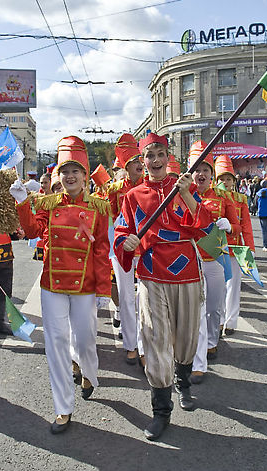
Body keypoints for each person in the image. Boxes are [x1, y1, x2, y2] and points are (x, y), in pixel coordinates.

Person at [113, 133, 214, 441]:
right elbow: (121, 230)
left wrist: (187, 195)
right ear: (142, 161)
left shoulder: (184, 187)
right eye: (149, 155)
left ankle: (182, 381)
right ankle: (161, 410)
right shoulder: (133, 195)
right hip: (151, 272)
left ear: (169, 157)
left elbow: (207, 229)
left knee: (185, 339)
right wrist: (126, 242)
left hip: (186, 272)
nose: (155, 160)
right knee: (155, 338)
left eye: (160, 154)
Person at [13, 136, 112, 434]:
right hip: (52, 284)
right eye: (65, 172)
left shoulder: (99, 208)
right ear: (59, 176)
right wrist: (21, 202)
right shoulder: (47, 203)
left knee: (84, 340)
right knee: (56, 344)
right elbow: (31, 230)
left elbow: (101, 249)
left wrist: (104, 289)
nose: (70, 177)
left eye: (76, 171)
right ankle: (62, 407)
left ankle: (88, 373)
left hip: (84, 286)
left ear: (85, 175)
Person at [189, 142, 238, 383]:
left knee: (213, 307)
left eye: (205, 170)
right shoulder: (181, 196)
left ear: (211, 174)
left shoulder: (224, 197)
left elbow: (237, 225)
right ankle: (197, 356)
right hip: (190, 261)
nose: (201, 174)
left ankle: (211, 342)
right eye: (197, 169)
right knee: (195, 309)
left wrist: (229, 226)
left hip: (215, 259)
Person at [102, 133, 146, 366]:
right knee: (127, 298)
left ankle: (145, 342)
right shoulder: (114, 189)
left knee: (146, 299)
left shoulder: (151, 187)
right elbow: (109, 217)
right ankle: (131, 344)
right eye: (134, 163)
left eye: (141, 161)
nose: (140, 166)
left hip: (148, 249)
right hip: (123, 249)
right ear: (126, 166)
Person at [215, 155, 254, 336]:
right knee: (218, 287)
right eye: (221, 179)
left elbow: (246, 227)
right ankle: (219, 319)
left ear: (233, 180)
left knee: (233, 286)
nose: (225, 182)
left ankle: (231, 322)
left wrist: (250, 251)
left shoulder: (240, 200)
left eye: (228, 179)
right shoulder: (211, 198)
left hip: (235, 249)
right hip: (215, 250)